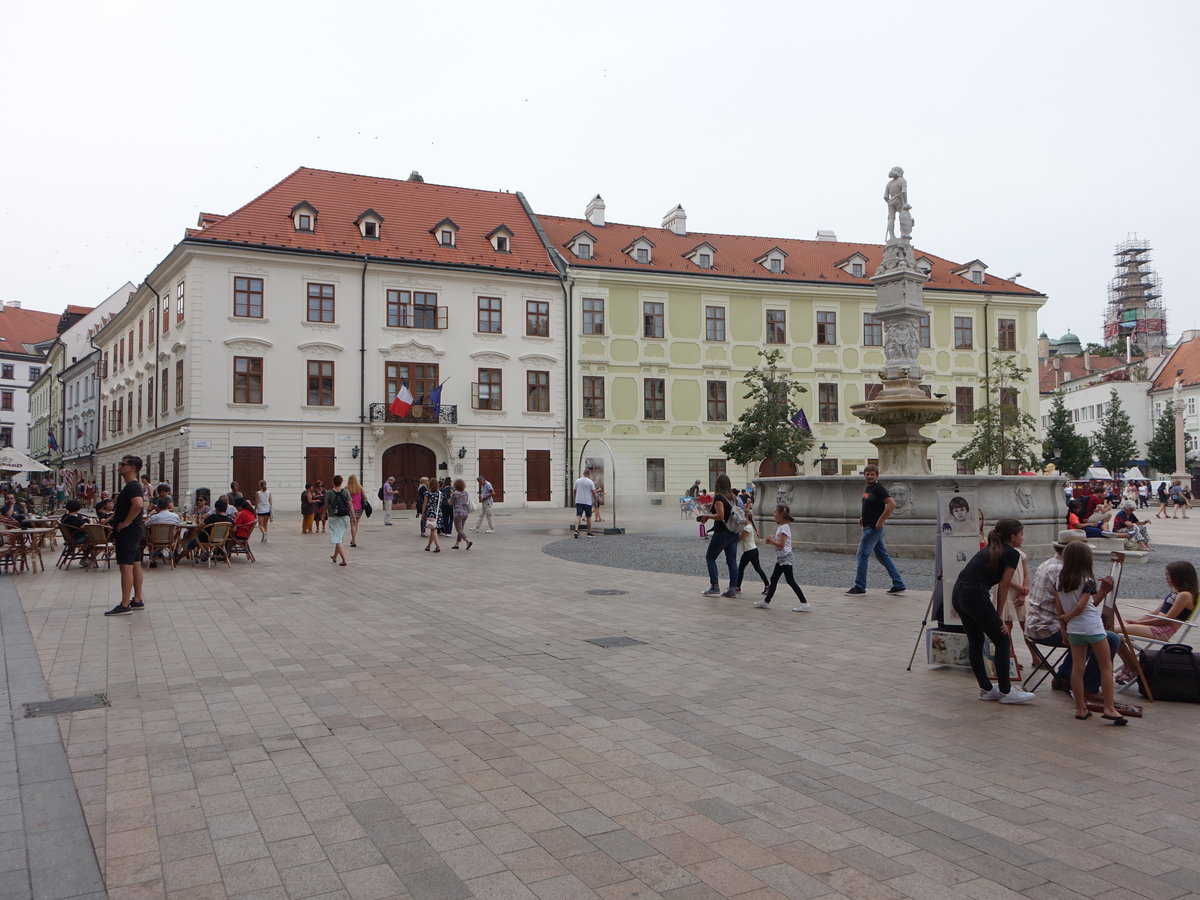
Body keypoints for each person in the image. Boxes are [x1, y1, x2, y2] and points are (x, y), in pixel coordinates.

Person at [1024, 533, 1121, 702]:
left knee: (1089, 633)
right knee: (1109, 638)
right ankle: (1089, 687)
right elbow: (1082, 607)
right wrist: (1104, 591)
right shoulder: (1062, 571)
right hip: (1048, 627)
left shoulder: (1053, 564)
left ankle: (1064, 676)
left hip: (1041, 623)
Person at [949, 518, 1036, 703]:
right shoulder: (1012, 553)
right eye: (1021, 534)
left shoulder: (992, 548)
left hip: (959, 592)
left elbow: (1001, 582)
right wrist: (999, 616)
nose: (1023, 538)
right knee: (1002, 638)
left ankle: (986, 688)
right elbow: (1004, 586)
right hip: (974, 594)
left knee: (976, 639)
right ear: (1012, 537)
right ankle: (1006, 690)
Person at [1055, 542, 1126, 725]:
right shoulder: (1088, 581)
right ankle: (1109, 708)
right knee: (1106, 667)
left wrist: (1064, 626)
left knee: (1077, 668)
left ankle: (1081, 708)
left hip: (1075, 630)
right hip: (1092, 627)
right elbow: (1082, 605)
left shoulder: (1059, 580)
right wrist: (1069, 616)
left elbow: (1058, 606)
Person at [1113, 561, 1198, 684]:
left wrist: (1138, 624)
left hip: (1163, 630)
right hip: (1157, 626)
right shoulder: (1176, 593)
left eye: (1168, 575)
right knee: (1110, 628)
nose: (1166, 578)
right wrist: (1134, 622)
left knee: (1112, 631)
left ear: (1179, 576)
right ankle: (1131, 665)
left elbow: (1165, 619)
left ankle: (1133, 667)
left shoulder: (1184, 596)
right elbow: (1155, 612)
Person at [846, 465, 906, 596]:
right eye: (867, 474)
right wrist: (863, 517)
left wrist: (881, 520)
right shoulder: (869, 488)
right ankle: (898, 584)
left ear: (877, 476)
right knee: (883, 557)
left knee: (862, 556)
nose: (869, 476)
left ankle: (860, 587)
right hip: (870, 526)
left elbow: (892, 504)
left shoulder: (879, 488)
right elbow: (870, 505)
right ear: (864, 475)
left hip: (873, 528)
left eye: (872, 474)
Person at [104, 456, 147, 616]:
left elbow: (138, 504)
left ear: (133, 467)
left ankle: (124, 604)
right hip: (135, 530)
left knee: (126, 566)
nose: (120, 466)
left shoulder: (132, 487)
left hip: (128, 532)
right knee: (135, 563)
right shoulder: (133, 486)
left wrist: (125, 522)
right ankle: (137, 599)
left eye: (123, 464)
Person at [754, 504, 811, 612]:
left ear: (781, 514)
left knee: (790, 580)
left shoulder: (785, 527)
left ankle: (804, 603)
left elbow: (782, 544)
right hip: (782, 558)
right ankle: (766, 602)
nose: (774, 514)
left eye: (775, 512)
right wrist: (771, 541)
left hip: (786, 557)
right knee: (774, 579)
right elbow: (779, 543)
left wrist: (772, 542)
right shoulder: (782, 527)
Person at [698, 473, 739, 598]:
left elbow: (720, 516)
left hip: (722, 532)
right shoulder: (733, 497)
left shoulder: (719, 497)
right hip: (733, 532)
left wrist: (707, 516)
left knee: (710, 557)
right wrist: (708, 517)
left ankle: (714, 586)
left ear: (717, 484)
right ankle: (732, 589)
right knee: (732, 560)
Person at [735, 504, 770, 595]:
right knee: (758, 568)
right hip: (753, 550)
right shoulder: (749, 526)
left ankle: (737, 587)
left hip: (749, 551)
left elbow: (740, 539)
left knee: (741, 568)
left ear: (746, 516)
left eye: (742, 516)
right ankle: (767, 585)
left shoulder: (747, 528)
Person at [325, 475, 351, 565]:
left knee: (337, 538)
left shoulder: (329, 493)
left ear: (333, 482)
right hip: (345, 517)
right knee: (339, 537)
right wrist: (354, 517)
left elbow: (326, 505)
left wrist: (322, 514)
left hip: (333, 517)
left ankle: (344, 560)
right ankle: (335, 556)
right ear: (341, 481)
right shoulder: (346, 491)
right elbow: (350, 504)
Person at [572, 468, 597, 538]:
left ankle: (576, 530)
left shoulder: (577, 481)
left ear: (583, 473)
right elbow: (594, 493)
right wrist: (595, 501)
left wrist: (576, 498)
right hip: (587, 501)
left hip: (579, 501)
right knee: (588, 517)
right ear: (589, 474)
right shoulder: (590, 482)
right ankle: (589, 532)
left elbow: (574, 491)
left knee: (578, 515)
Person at [449, 478, 473, 549]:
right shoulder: (466, 493)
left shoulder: (455, 494)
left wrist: (451, 494)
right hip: (465, 512)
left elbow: (450, 503)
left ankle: (468, 541)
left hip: (458, 513)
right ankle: (457, 544)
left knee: (458, 529)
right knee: (461, 529)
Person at [423, 482, 443, 552]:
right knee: (433, 530)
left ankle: (438, 546)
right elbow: (441, 503)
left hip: (431, 512)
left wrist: (423, 513)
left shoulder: (427, 493)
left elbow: (425, 504)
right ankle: (428, 546)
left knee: (433, 530)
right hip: (438, 513)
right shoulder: (440, 493)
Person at [346, 474, 365, 547]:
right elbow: (365, 497)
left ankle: (353, 540)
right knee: (356, 524)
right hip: (359, 508)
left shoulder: (347, 488)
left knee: (352, 524)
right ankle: (353, 539)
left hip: (351, 508)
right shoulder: (359, 487)